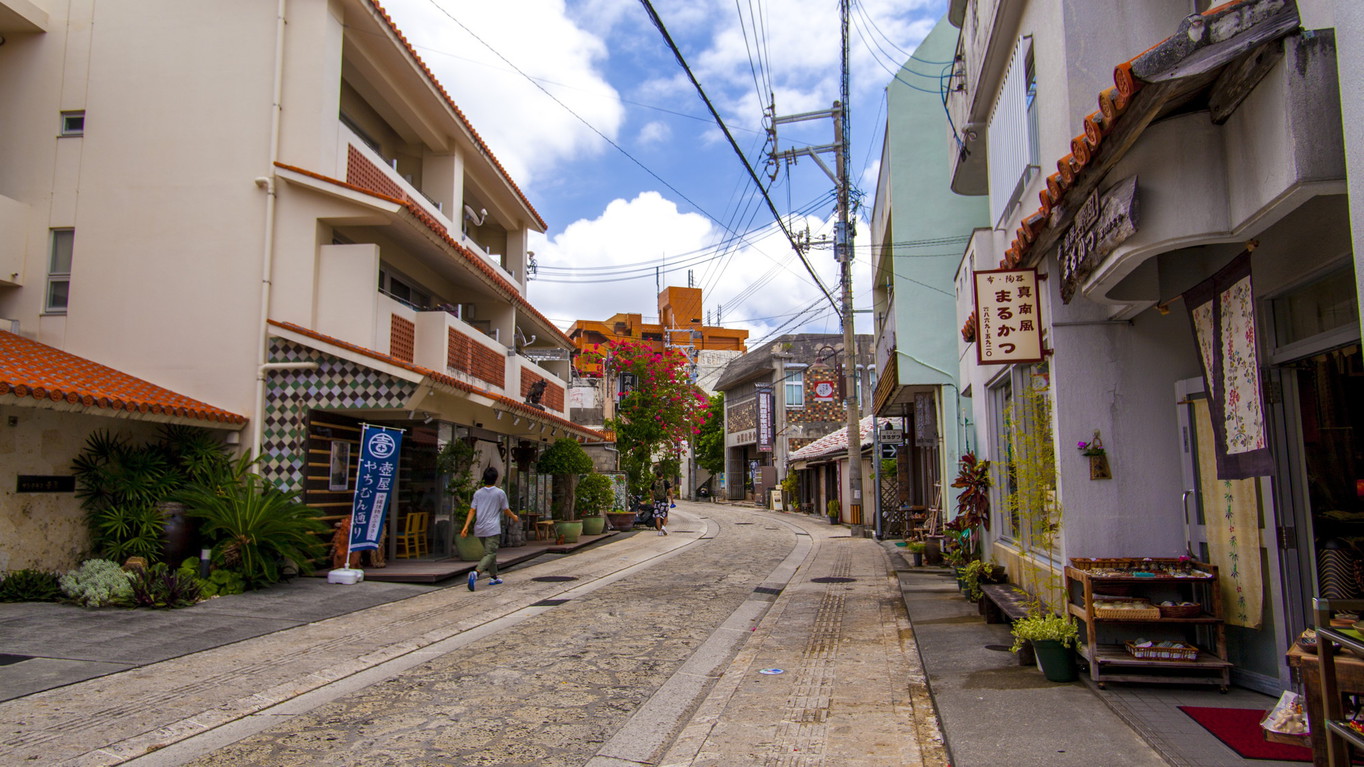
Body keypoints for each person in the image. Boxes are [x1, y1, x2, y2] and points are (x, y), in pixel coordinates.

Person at [462, 466, 519, 591]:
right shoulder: (500, 493)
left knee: (490, 553)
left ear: (484, 478)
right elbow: (505, 509)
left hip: (479, 528)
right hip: (492, 528)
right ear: (496, 479)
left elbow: (472, 510)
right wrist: (514, 517)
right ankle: (476, 573)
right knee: (490, 553)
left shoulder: (478, 493)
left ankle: (494, 577)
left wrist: (465, 526)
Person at [650, 468, 672, 536]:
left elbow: (651, 491)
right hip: (664, 501)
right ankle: (664, 527)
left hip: (657, 502)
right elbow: (670, 491)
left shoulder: (654, 483)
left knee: (657, 517)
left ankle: (659, 531)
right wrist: (672, 500)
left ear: (656, 476)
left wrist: (652, 500)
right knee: (665, 515)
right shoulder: (666, 482)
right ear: (663, 475)